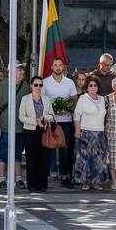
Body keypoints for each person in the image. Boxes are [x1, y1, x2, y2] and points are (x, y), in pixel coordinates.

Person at [41, 57, 78, 187]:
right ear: (51, 67)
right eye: (55, 65)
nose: (57, 67)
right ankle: (48, 174)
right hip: (51, 121)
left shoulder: (69, 82)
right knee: (49, 147)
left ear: (63, 67)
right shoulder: (45, 82)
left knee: (65, 149)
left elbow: (74, 100)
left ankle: (64, 176)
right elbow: (42, 101)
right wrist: (52, 111)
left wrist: (67, 108)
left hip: (66, 120)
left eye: (60, 65)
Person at [18, 75, 55, 192]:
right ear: (31, 86)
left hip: (44, 130)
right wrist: (35, 121)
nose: (38, 87)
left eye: (40, 85)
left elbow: (52, 116)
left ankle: (42, 184)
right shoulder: (25, 99)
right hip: (30, 131)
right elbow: (21, 116)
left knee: (43, 157)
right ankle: (32, 184)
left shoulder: (46, 99)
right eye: (36, 85)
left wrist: (43, 118)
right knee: (31, 157)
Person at [72, 76, 109, 191]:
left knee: (98, 160)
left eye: (95, 85)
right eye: (90, 85)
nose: (93, 87)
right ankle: (85, 182)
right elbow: (77, 116)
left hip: (99, 134)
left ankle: (96, 182)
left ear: (98, 87)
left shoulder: (103, 99)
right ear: (87, 87)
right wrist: (77, 131)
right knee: (85, 159)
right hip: (85, 133)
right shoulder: (83, 98)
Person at [0, 62, 29, 190]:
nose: (22, 72)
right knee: (3, 154)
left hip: (20, 127)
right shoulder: (2, 86)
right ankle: (2, 180)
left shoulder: (25, 86)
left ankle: (19, 179)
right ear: (12, 72)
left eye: (22, 70)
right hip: (5, 127)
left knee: (17, 154)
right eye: (19, 70)